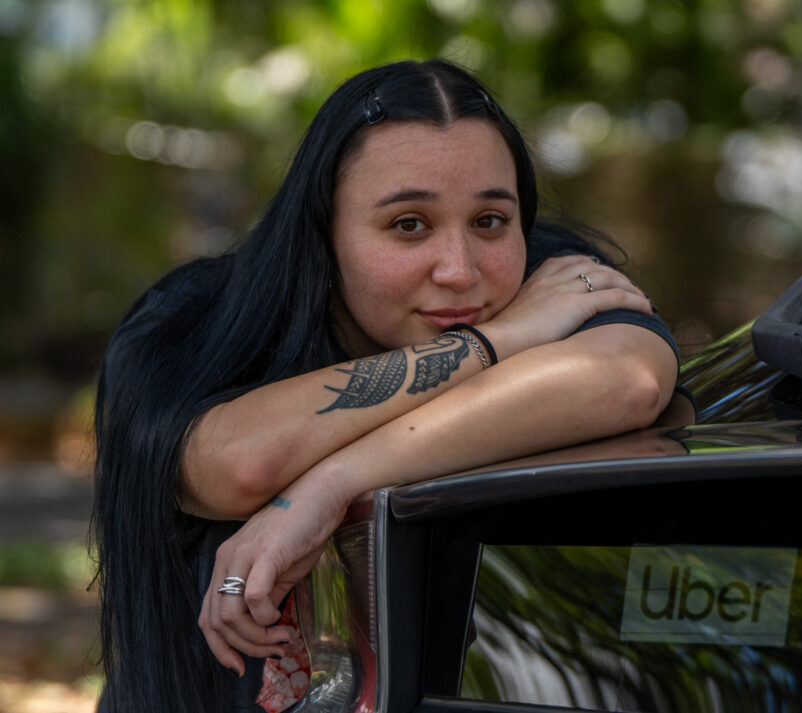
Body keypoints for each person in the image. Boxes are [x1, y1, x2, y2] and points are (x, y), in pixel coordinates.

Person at [92, 59, 682, 713]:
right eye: (409, 224)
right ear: (324, 232)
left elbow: (629, 379)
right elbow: (240, 463)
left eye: (491, 221)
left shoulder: (554, 281)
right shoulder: (187, 322)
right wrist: (498, 341)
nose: (460, 271)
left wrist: (328, 484)